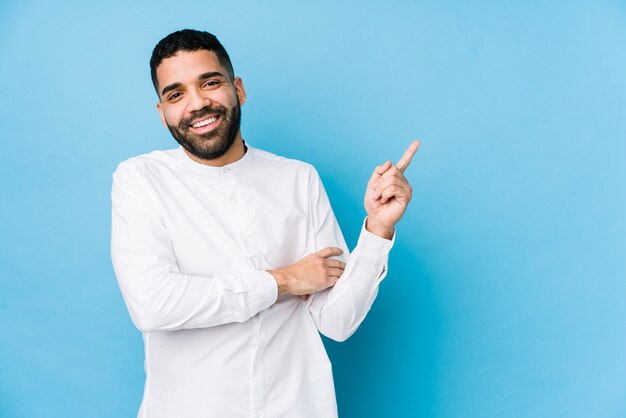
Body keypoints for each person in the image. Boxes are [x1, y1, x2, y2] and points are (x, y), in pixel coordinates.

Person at [111, 29, 419, 418]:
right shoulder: (140, 179)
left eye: (210, 83)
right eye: (176, 94)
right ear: (162, 112)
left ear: (238, 89)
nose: (198, 104)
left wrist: (377, 229)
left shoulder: (298, 179)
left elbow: (337, 322)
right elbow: (153, 305)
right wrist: (284, 281)